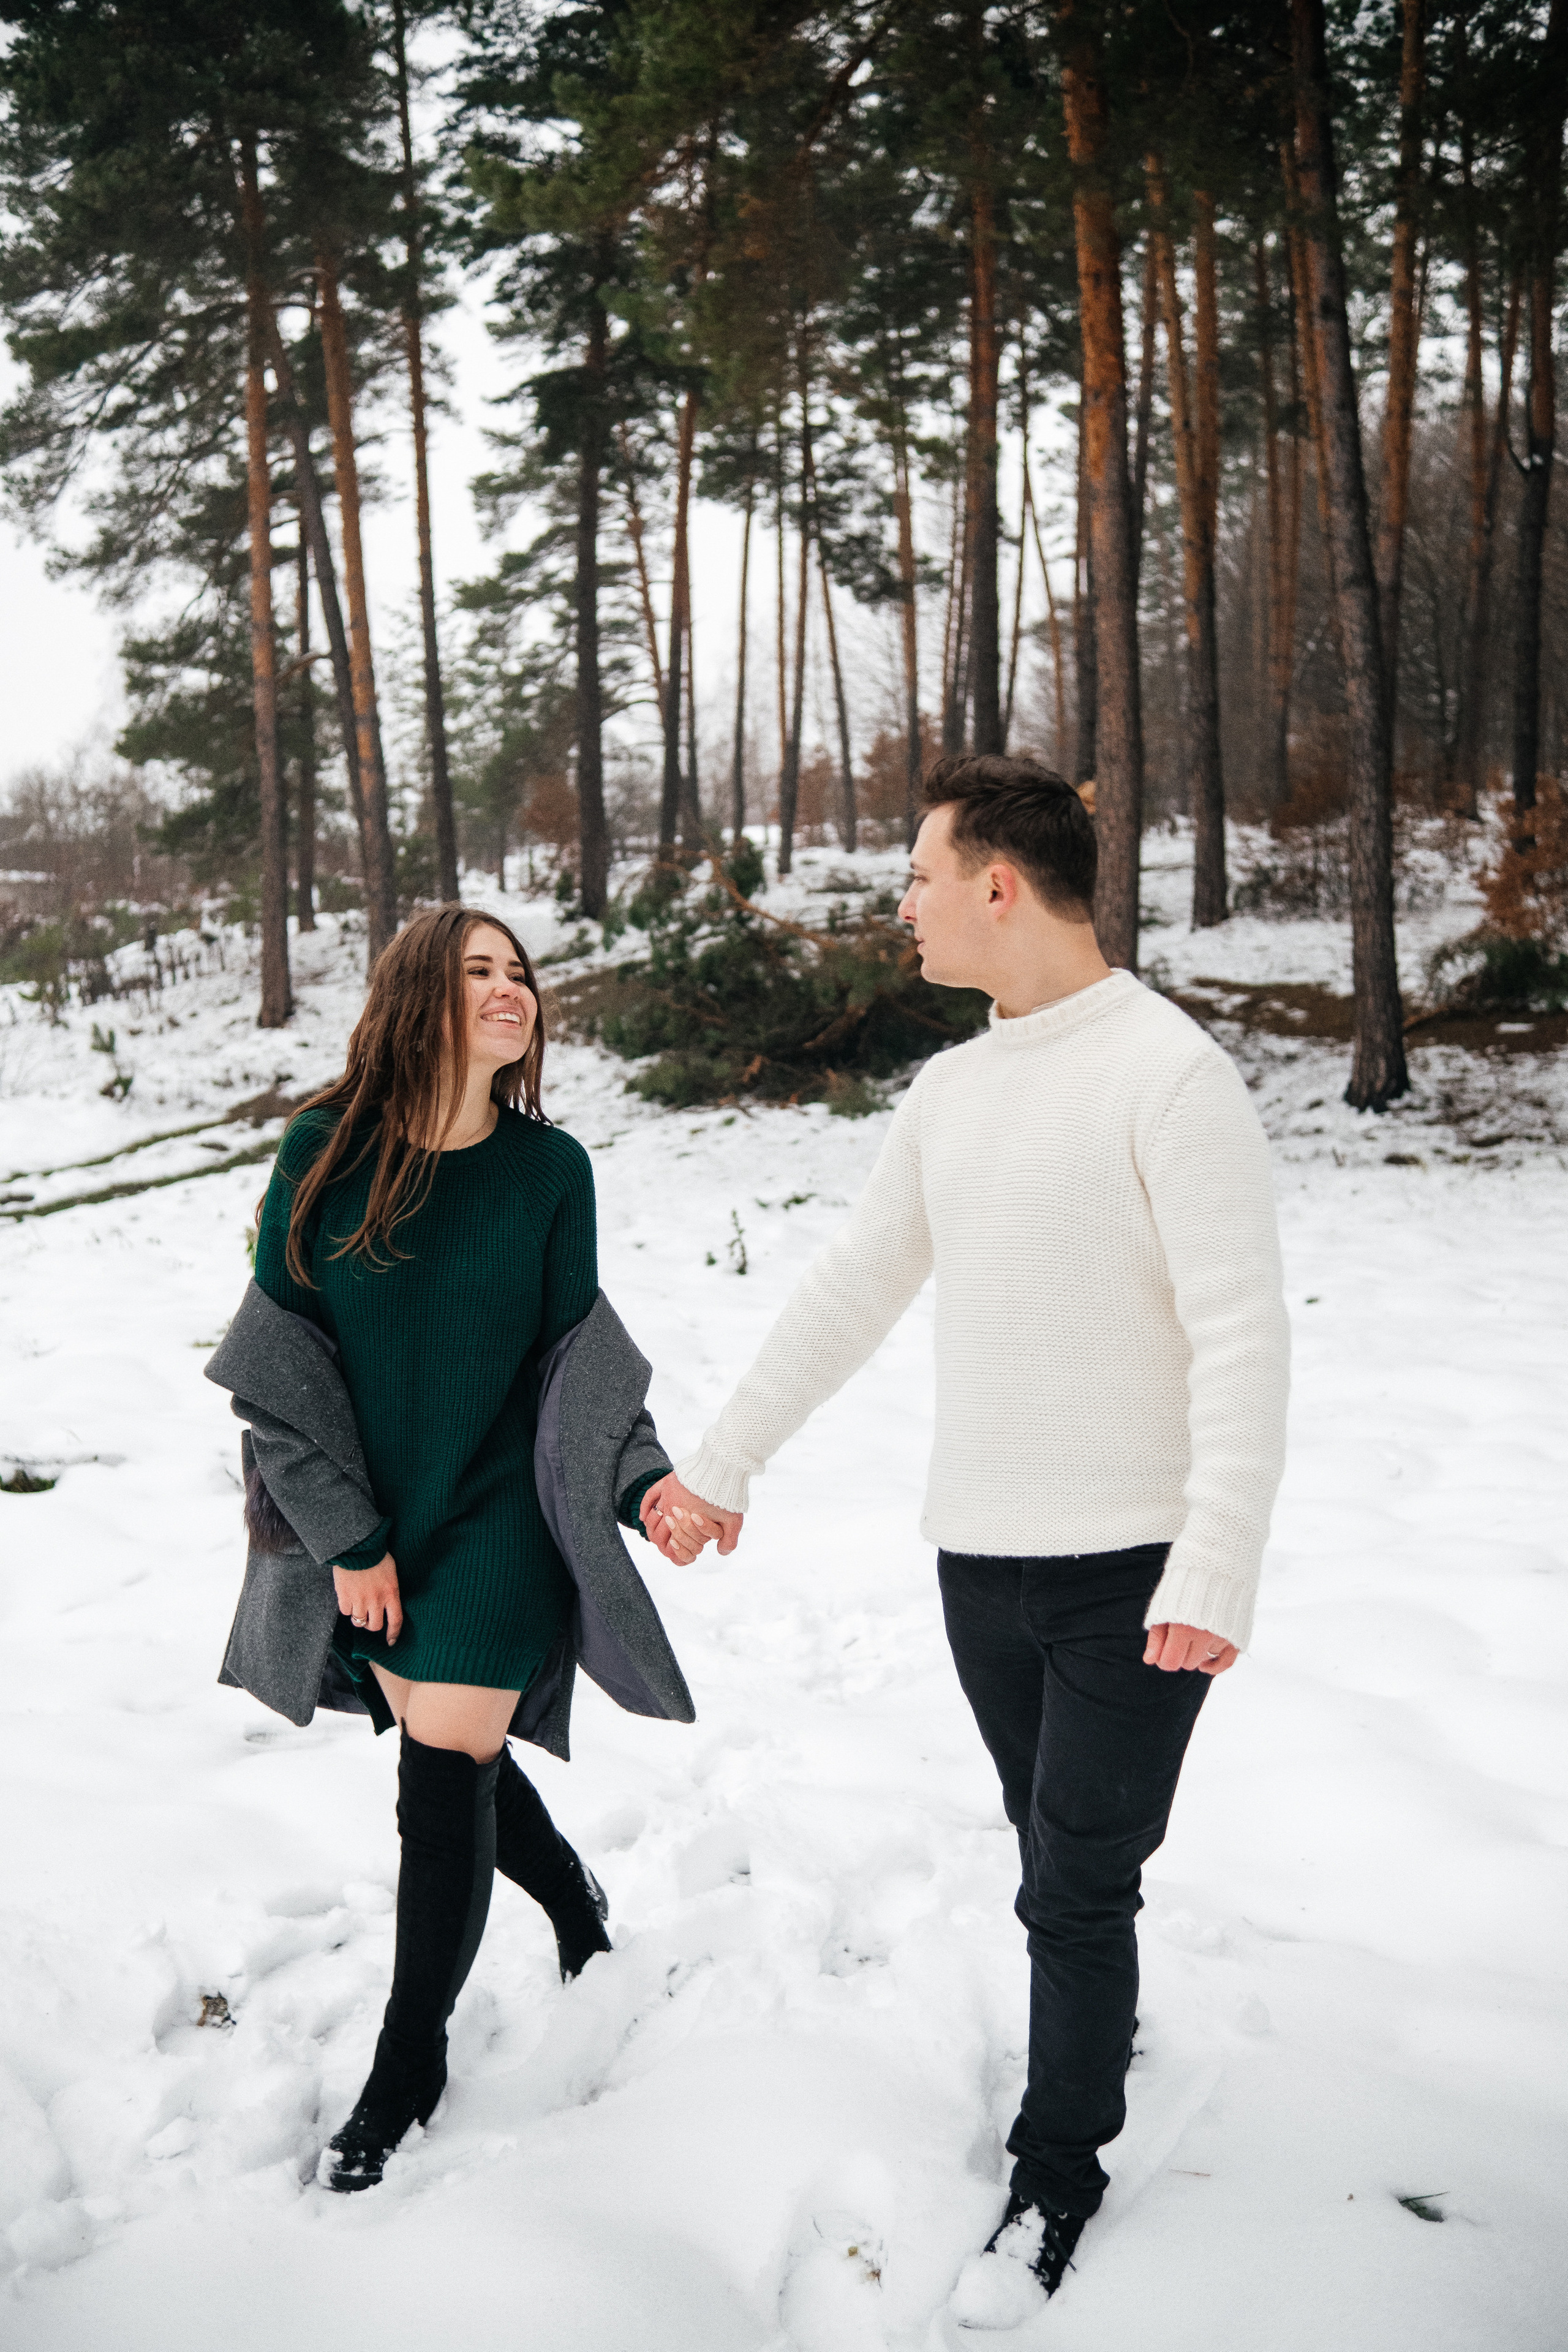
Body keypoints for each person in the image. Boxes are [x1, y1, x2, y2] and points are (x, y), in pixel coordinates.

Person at [641, 754, 1290, 2307]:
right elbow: (853, 1286)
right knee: (1049, 1852)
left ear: (999, 884)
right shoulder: (952, 1087)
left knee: (1076, 1880)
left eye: (920, 875)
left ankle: (1052, 2178)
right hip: (978, 1565)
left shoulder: (1167, 1076)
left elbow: (1244, 1340)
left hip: (1134, 1574)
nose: (905, 903)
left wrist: (1214, 1563)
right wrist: (722, 1462)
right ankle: (1092, 2014)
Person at [228, 906, 702, 2193]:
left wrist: (646, 1481)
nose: (511, 991)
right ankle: (571, 1899)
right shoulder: (326, 1153)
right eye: (478, 971)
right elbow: (275, 1375)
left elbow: (578, 1373)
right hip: (376, 1519)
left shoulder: (552, 1175)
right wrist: (347, 1539)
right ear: (417, 999)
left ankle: (408, 2058)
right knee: (461, 1752)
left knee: (441, 1782)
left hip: (502, 1521)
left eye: (522, 974)